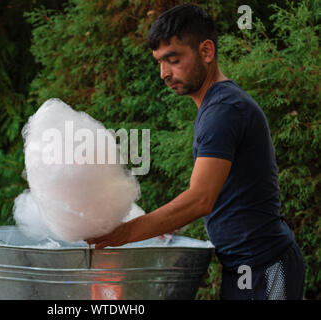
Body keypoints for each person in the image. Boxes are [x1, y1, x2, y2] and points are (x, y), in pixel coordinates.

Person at [86, 4, 305, 300]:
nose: (164, 73)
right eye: (159, 62)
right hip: (247, 265)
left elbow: (200, 198)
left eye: (173, 60)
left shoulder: (223, 110)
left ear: (206, 52)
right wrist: (164, 226)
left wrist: (124, 234)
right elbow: (220, 190)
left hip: (266, 267)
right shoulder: (216, 106)